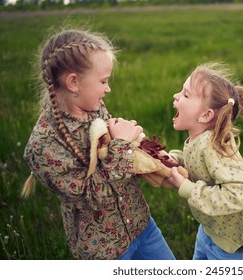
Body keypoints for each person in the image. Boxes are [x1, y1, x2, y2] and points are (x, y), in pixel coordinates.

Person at [21, 28, 175, 260]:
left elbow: (110, 154)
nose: (108, 88)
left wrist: (150, 156)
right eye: (103, 81)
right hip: (105, 251)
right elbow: (91, 198)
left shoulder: (95, 108)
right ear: (74, 82)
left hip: (142, 226)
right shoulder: (44, 146)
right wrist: (122, 143)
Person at [168, 63, 243, 260]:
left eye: (186, 95)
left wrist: (188, 188)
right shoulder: (200, 138)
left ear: (205, 115)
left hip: (229, 246)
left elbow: (238, 194)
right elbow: (196, 161)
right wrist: (174, 159)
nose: (176, 96)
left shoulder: (215, 147)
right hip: (209, 230)